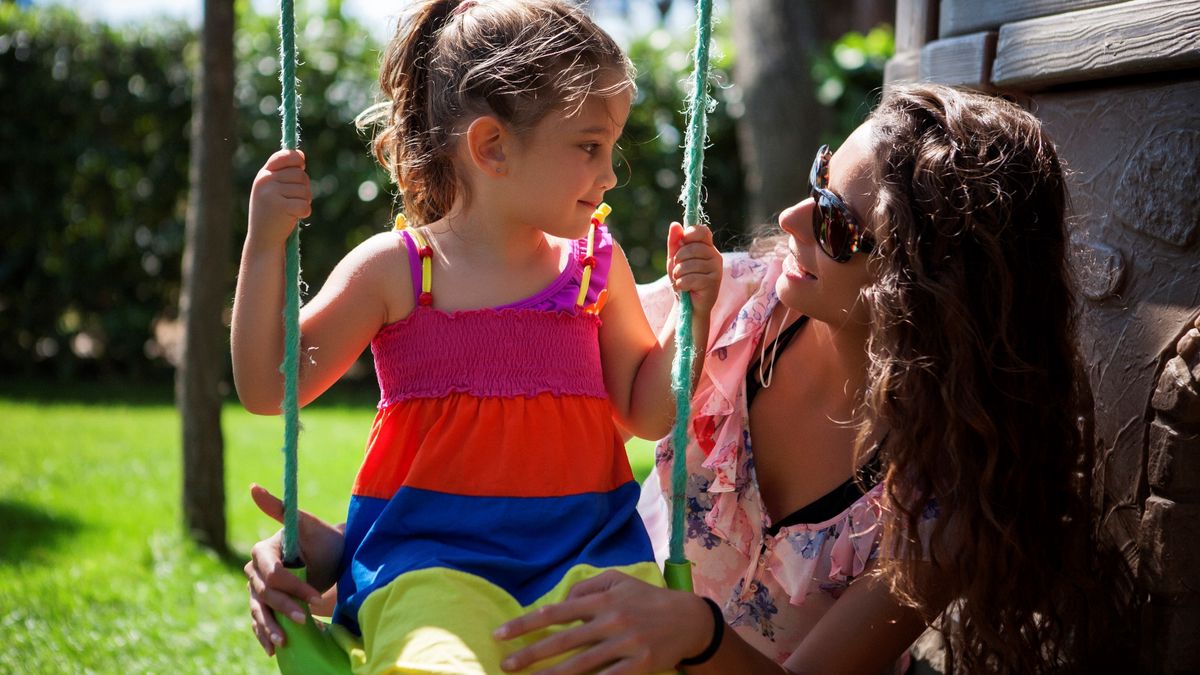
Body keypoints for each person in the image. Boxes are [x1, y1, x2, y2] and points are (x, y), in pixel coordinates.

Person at [491, 84, 1109, 673]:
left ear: (930, 291)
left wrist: (696, 635)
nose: (791, 218)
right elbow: (548, 357)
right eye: (820, 179)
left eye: (836, 225)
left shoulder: (947, 498)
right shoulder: (727, 309)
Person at [231, 0, 721, 672]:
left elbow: (643, 411)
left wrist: (695, 310)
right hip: (430, 569)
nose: (610, 175)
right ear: (492, 147)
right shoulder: (398, 272)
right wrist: (265, 245)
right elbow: (268, 385)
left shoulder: (594, 271)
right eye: (589, 146)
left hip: (588, 559)